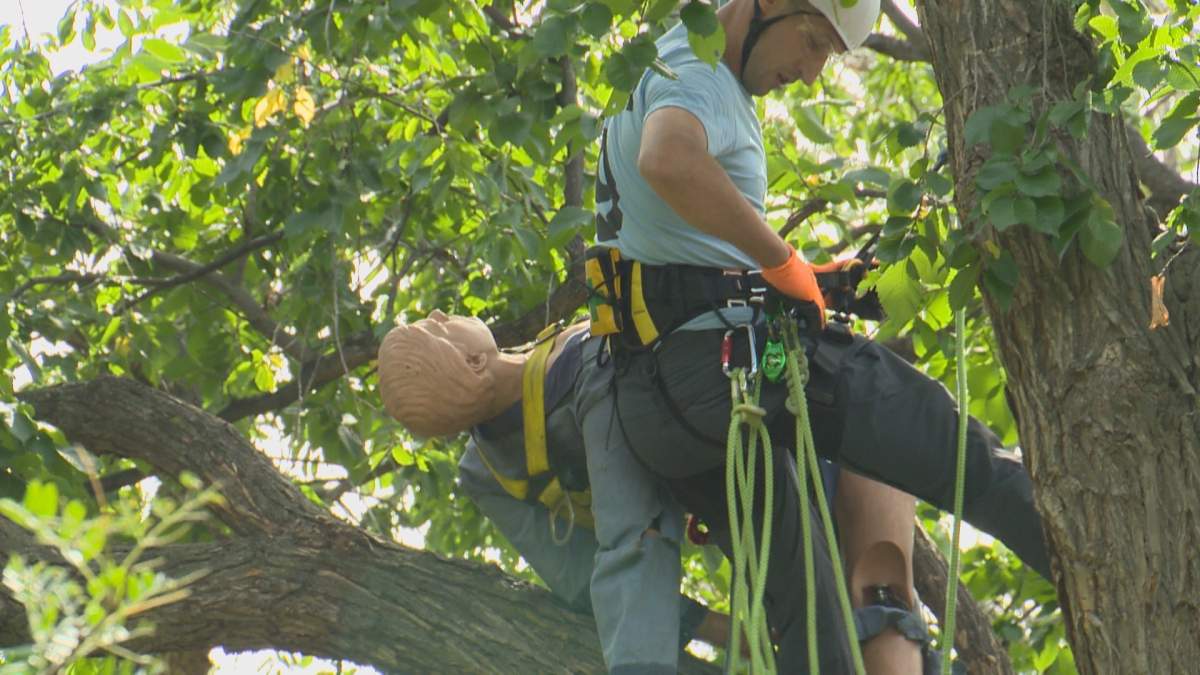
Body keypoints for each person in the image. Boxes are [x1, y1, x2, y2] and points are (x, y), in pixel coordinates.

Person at [581, 0, 1051, 672]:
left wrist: (814, 280)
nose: (808, 75)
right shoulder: (699, 65)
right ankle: (1116, 554)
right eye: (811, 44)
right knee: (961, 454)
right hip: (719, 371)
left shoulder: (670, 61)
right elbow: (668, 160)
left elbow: (677, 258)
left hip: (662, 403)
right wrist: (778, 260)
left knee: (812, 610)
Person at [377, 311, 937, 673]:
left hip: (748, 476)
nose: (438, 313)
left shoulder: (488, 468)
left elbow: (580, 579)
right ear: (473, 363)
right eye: (437, 328)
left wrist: (724, 632)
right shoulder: (581, 372)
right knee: (869, 608)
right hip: (749, 464)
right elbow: (622, 553)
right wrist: (724, 632)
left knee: (856, 605)